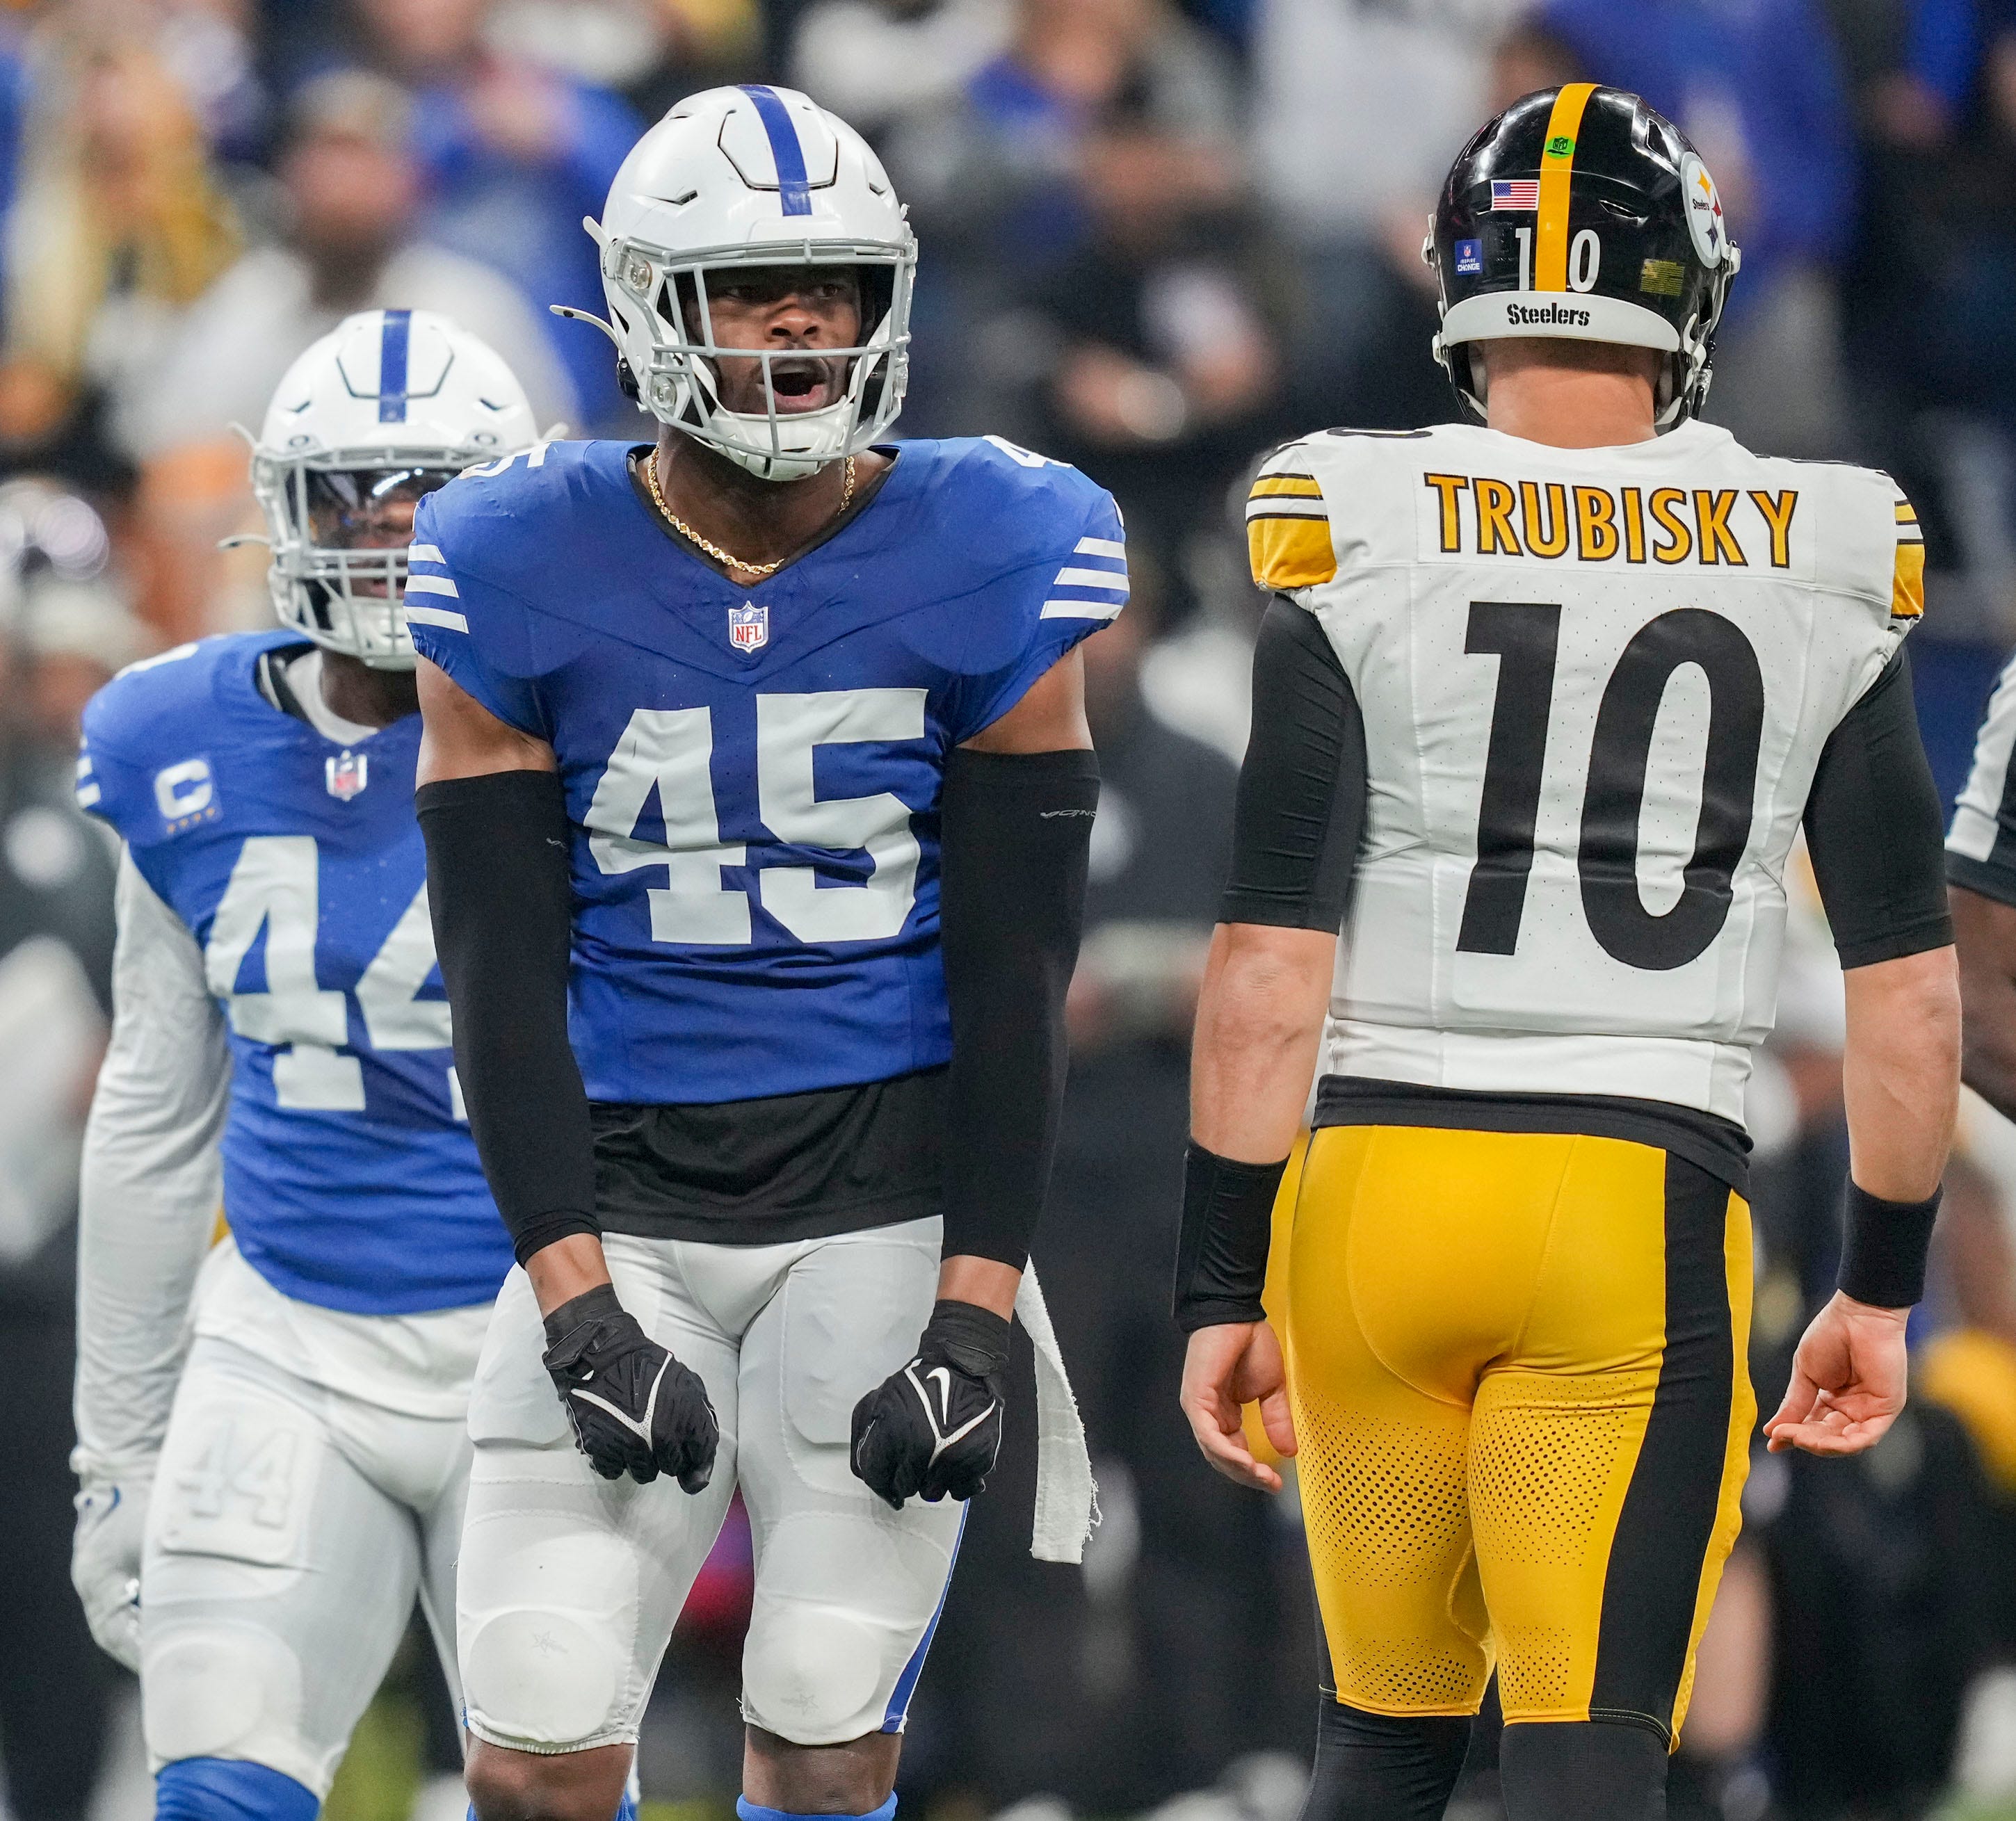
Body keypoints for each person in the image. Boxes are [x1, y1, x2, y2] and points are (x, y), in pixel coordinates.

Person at [1177, 84, 1960, 1821]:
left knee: (1374, 1746)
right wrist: (1883, 1285)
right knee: (1588, 1753)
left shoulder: (1353, 509)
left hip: (1371, 1190)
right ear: (1687, 294)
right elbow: (1909, 990)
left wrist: (1224, 1279)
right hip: (1630, 1201)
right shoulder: (1818, 542)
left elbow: (1261, 965)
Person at [405, 83, 1106, 1821]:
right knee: (537, 1733)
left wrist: (978, 1313)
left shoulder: (998, 537)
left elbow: (1020, 973)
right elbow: (492, 967)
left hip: (880, 1195)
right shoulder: (512, 552)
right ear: (649, 302)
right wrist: (573, 1305)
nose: (800, 321)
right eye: (748, 285)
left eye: (833, 284)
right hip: (623, 1194)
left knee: (816, 1708)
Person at [67, 309, 542, 1821]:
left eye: (430, 498)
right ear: (287, 509)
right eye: (355, 497)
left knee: (545, 1790)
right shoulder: (172, 731)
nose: (390, 537)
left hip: (548, 1330)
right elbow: (153, 1109)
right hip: (288, 1327)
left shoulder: (602, 722)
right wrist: (119, 1446)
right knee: (216, 1784)